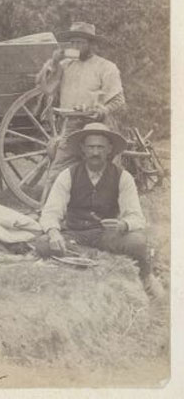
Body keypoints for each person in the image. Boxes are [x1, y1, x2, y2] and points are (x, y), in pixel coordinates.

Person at [33, 123, 161, 298]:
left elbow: (136, 217)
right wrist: (54, 233)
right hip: (75, 234)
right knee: (42, 243)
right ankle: (94, 257)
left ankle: (146, 277)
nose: (95, 152)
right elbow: (51, 212)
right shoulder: (67, 175)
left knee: (138, 242)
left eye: (100, 147)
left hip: (106, 235)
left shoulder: (123, 177)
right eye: (91, 147)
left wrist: (123, 225)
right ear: (82, 149)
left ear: (109, 150)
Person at [37, 22, 125, 195]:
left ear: (91, 44)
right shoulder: (66, 65)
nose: (75, 47)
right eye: (73, 43)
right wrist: (53, 62)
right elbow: (46, 88)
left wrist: (103, 110)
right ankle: (47, 211)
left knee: (103, 171)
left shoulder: (106, 67)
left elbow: (119, 100)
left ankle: (107, 211)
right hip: (72, 125)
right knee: (57, 170)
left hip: (98, 126)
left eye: (80, 43)